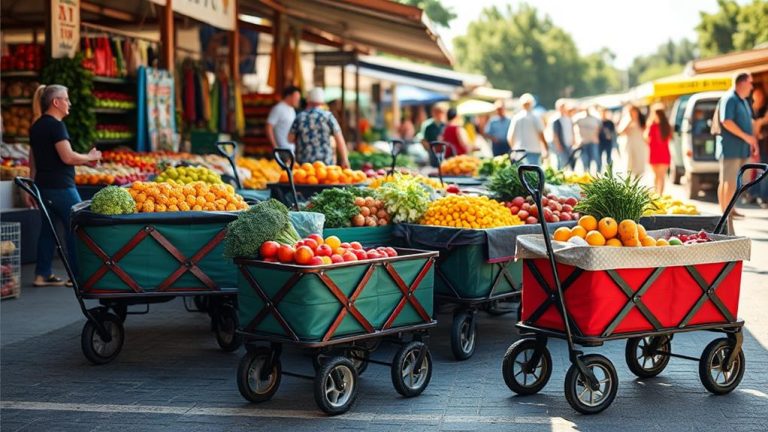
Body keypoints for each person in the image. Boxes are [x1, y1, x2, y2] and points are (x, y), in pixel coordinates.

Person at [28, 84, 102, 287]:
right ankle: (78, 277)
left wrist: (32, 185)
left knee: (48, 230)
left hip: (43, 186)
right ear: (56, 102)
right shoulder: (56, 125)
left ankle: (42, 275)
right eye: (66, 99)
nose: (69, 103)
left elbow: (34, 160)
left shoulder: (36, 125)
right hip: (61, 187)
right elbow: (67, 157)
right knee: (77, 227)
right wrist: (90, 156)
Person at [716, 72, 758, 221]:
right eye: (750, 82)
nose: (752, 86)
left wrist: (752, 141)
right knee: (728, 181)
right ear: (742, 83)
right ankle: (725, 213)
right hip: (730, 149)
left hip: (740, 149)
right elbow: (726, 121)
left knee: (734, 182)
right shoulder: (730, 99)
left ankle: (730, 210)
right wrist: (747, 137)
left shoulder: (742, 100)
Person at [288, 88, 349, 168]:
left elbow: (289, 139)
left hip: (304, 166)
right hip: (326, 165)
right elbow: (339, 140)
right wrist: (345, 159)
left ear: (308, 101)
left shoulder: (300, 117)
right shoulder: (328, 117)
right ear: (322, 102)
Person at [507, 93, 548, 165]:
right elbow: (541, 134)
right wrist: (545, 148)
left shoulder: (516, 118)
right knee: (533, 174)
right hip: (534, 150)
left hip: (519, 151)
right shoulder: (535, 117)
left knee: (520, 173)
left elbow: (510, 137)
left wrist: (513, 148)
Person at [644, 103, 672, 194]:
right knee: (656, 176)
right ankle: (656, 194)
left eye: (654, 113)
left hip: (663, 155)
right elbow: (646, 139)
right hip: (654, 154)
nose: (653, 116)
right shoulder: (651, 126)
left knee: (661, 177)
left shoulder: (666, 126)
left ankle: (660, 195)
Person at [266, 85, 301, 152]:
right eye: (296, 98)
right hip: (282, 150)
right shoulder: (278, 108)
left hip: (291, 150)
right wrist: (275, 146)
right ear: (288, 96)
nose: (298, 100)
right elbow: (268, 127)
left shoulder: (292, 109)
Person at [618, 105, 647, 177]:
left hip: (639, 143)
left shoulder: (641, 119)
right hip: (630, 143)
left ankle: (637, 176)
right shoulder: (626, 119)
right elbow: (621, 132)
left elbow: (645, 130)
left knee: (639, 160)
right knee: (630, 161)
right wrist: (630, 122)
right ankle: (630, 176)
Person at [575, 106, 603, 173]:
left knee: (596, 157)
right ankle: (587, 173)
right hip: (583, 142)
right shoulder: (579, 119)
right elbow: (573, 126)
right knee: (585, 159)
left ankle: (599, 172)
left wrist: (596, 136)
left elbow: (600, 128)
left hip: (593, 141)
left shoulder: (596, 118)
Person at [420, 102, 448, 167]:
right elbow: (424, 140)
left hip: (444, 152)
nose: (439, 114)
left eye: (441, 112)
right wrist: (428, 146)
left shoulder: (445, 125)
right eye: (437, 112)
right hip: (433, 153)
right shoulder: (428, 126)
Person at [551, 99, 575, 169]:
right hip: (561, 144)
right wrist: (558, 145)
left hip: (569, 144)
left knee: (570, 162)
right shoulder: (556, 119)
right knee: (562, 163)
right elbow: (555, 134)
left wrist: (574, 140)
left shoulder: (569, 118)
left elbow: (572, 130)